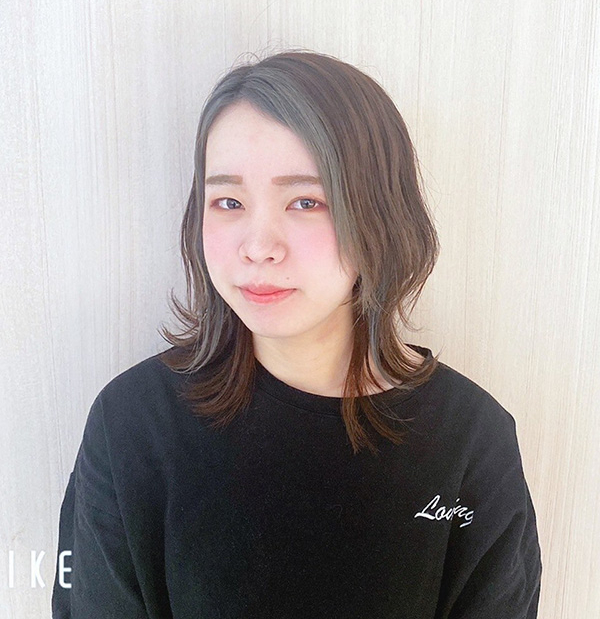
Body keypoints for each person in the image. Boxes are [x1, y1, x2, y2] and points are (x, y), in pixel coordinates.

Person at [52, 50, 543, 618]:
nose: (258, 246)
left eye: (306, 202)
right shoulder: (132, 424)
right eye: (228, 201)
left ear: (380, 215)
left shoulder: (470, 441)